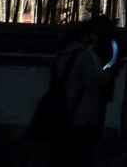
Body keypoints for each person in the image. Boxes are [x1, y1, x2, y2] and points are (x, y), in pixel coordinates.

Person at [50, 16, 118, 167]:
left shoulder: (64, 53)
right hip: (80, 115)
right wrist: (107, 72)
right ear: (86, 35)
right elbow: (96, 78)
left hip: (64, 112)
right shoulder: (85, 55)